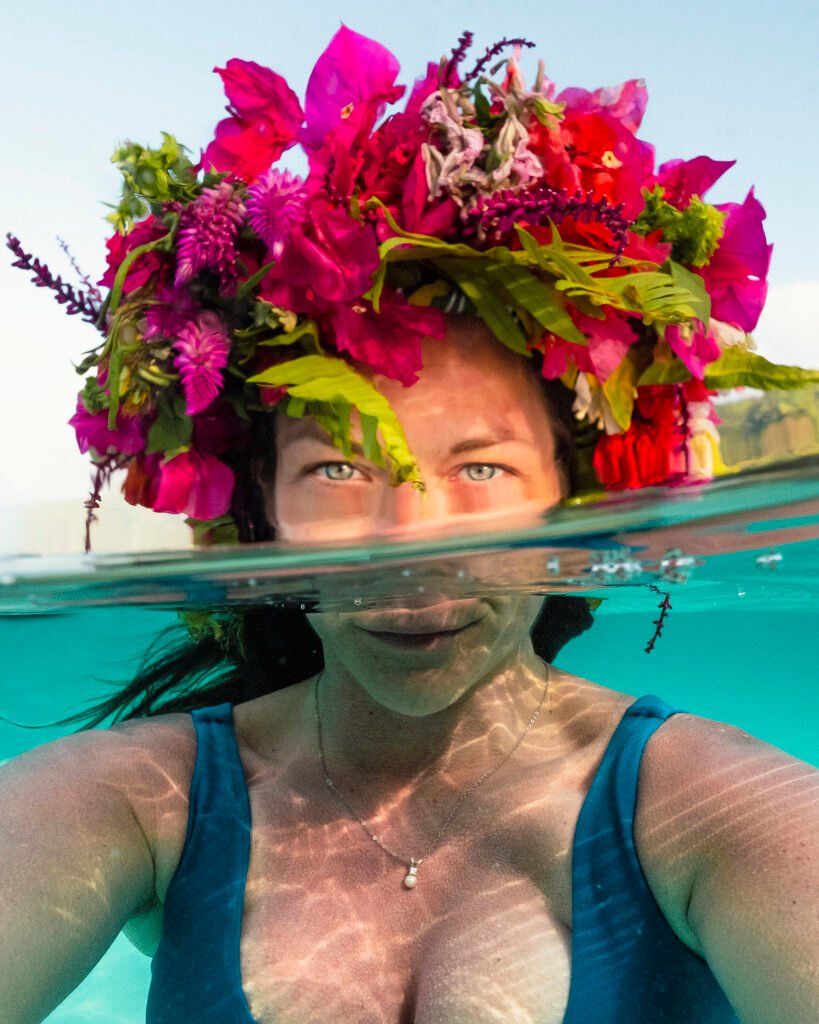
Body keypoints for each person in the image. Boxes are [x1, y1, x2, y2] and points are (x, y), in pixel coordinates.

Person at [3, 26, 818, 1024]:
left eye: (482, 464)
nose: (411, 549)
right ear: (262, 503)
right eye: (339, 466)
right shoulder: (141, 801)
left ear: (577, 485)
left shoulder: (707, 809)